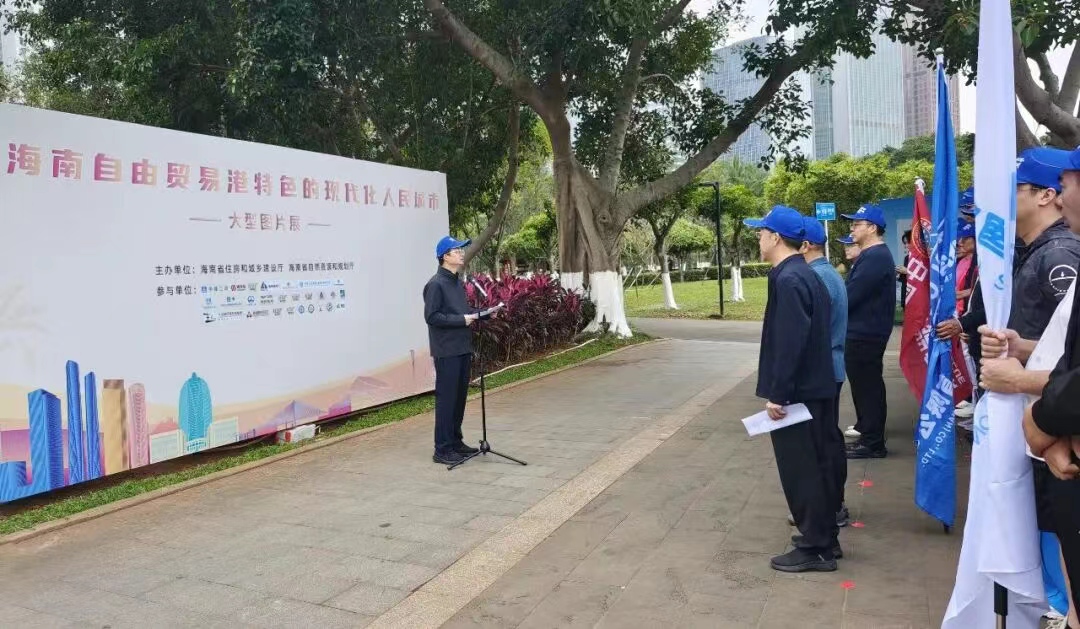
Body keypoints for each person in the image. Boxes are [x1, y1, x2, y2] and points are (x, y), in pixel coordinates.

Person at [744, 205, 840, 573]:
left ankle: (816, 546)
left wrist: (778, 395)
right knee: (816, 464)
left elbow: (789, 342)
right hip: (814, 388)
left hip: (799, 394)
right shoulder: (802, 274)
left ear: (775, 237)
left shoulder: (790, 279)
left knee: (802, 470)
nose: (758, 239)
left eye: (761, 232)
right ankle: (825, 538)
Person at [800, 217, 850, 528]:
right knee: (827, 437)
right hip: (832, 367)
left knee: (822, 441)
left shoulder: (817, 278)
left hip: (822, 370)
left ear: (805, 245)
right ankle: (831, 505)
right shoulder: (828, 273)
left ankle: (830, 508)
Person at [840, 204, 897, 458]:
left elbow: (851, 296)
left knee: (868, 388)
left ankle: (873, 443)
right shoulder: (871, 255)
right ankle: (867, 433)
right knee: (864, 386)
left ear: (872, 228)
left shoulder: (875, 257)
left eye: (857, 224)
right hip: (862, 331)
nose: (852, 228)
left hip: (866, 333)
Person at [423, 235, 484, 465]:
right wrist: (462, 320)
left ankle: (456, 442)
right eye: (457, 251)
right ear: (445, 256)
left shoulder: (457, 282)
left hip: (462, 347)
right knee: (447, 400)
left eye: (461, 250)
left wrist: (485, 313)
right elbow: (432, 317)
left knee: (459, 399)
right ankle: (442, 449)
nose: (461, 253)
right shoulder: (435, 284)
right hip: (446, 351)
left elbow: (462, 312)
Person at [955, 220, 977, 316]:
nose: (959, 243)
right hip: (957, 311)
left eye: (964, 239)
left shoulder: (982, 262)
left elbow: (985, 289)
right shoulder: (959, 261)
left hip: (970, 311)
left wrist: (962, 294)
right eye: (958, 239)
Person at [897, 230, 912, 310]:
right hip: (905, 295)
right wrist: (898, 273)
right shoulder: (907, 258)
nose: (906, 246)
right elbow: (904, 278)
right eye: (904, 243)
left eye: (908, 242)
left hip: (916, 297)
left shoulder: (924, 258)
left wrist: (907, 271)